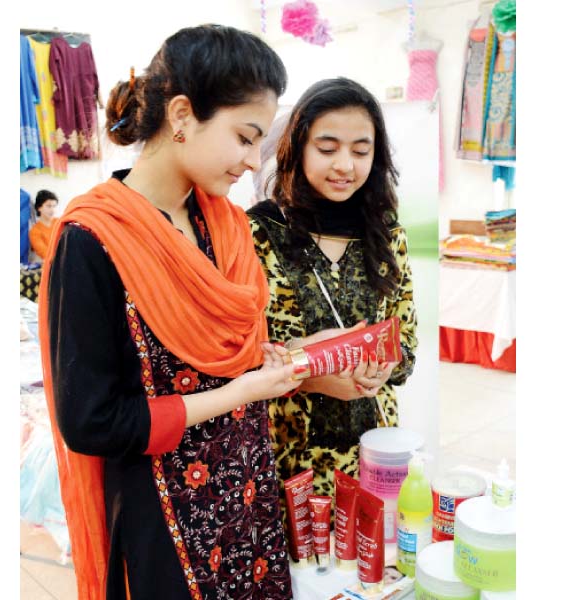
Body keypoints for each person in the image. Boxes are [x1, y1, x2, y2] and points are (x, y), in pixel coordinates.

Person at [38, 25, 299, 600]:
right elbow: (92, 421)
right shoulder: (91, 240)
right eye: (244, 137)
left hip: (247, 494)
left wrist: (261, 360)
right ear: (182, 114)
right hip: (165, 524)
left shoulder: (224, 224)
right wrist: (242, 391)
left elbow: (228, 349)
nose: (253, 162)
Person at [247, 77, 418, 506]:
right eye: (327, 149)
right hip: (288, 454)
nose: (345, 165)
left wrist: (382, 367)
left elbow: (407, 344)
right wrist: (310, 377)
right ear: (298, 147)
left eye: (361, 151)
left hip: (373, 450)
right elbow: (239, 355)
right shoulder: (258, 232)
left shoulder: (385, 233)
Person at [29, 189, 59, 261]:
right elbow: (45, 254)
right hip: (51, 265)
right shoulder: (35, 231)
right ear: (39, 208)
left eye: (54, 206)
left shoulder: (60, 223)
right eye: (49, 206)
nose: (52, 210)